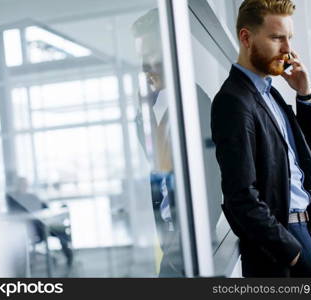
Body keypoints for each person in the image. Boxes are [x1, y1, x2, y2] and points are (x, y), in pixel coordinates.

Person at [211, 0, 311, 277]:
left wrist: (304, 94)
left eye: (289, 38)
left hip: (300, 231)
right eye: (277, 38)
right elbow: (240, 197)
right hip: (280, 244)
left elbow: (305, 152)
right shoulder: (233, 101)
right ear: (246, 38)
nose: (288, 49)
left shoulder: (269, 92)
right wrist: (293, 252)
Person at [131, 8, 183, 277]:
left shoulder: (195, 106)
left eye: (149, 56)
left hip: (190, 243)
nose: (144, 68)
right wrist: (143, 112)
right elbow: (157, 163)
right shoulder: (155, 106)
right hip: (170, 241)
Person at [6, 176, 73, 269]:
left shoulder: (32, 196)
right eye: (21, 184)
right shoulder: (12, 200)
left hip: (40, 226)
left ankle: (69, 257)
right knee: (55, 231)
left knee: (61, 231)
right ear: (17, 186)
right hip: (30, 229)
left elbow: (46, 208)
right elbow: (16, 214)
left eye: (25, 184)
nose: (24, 186)